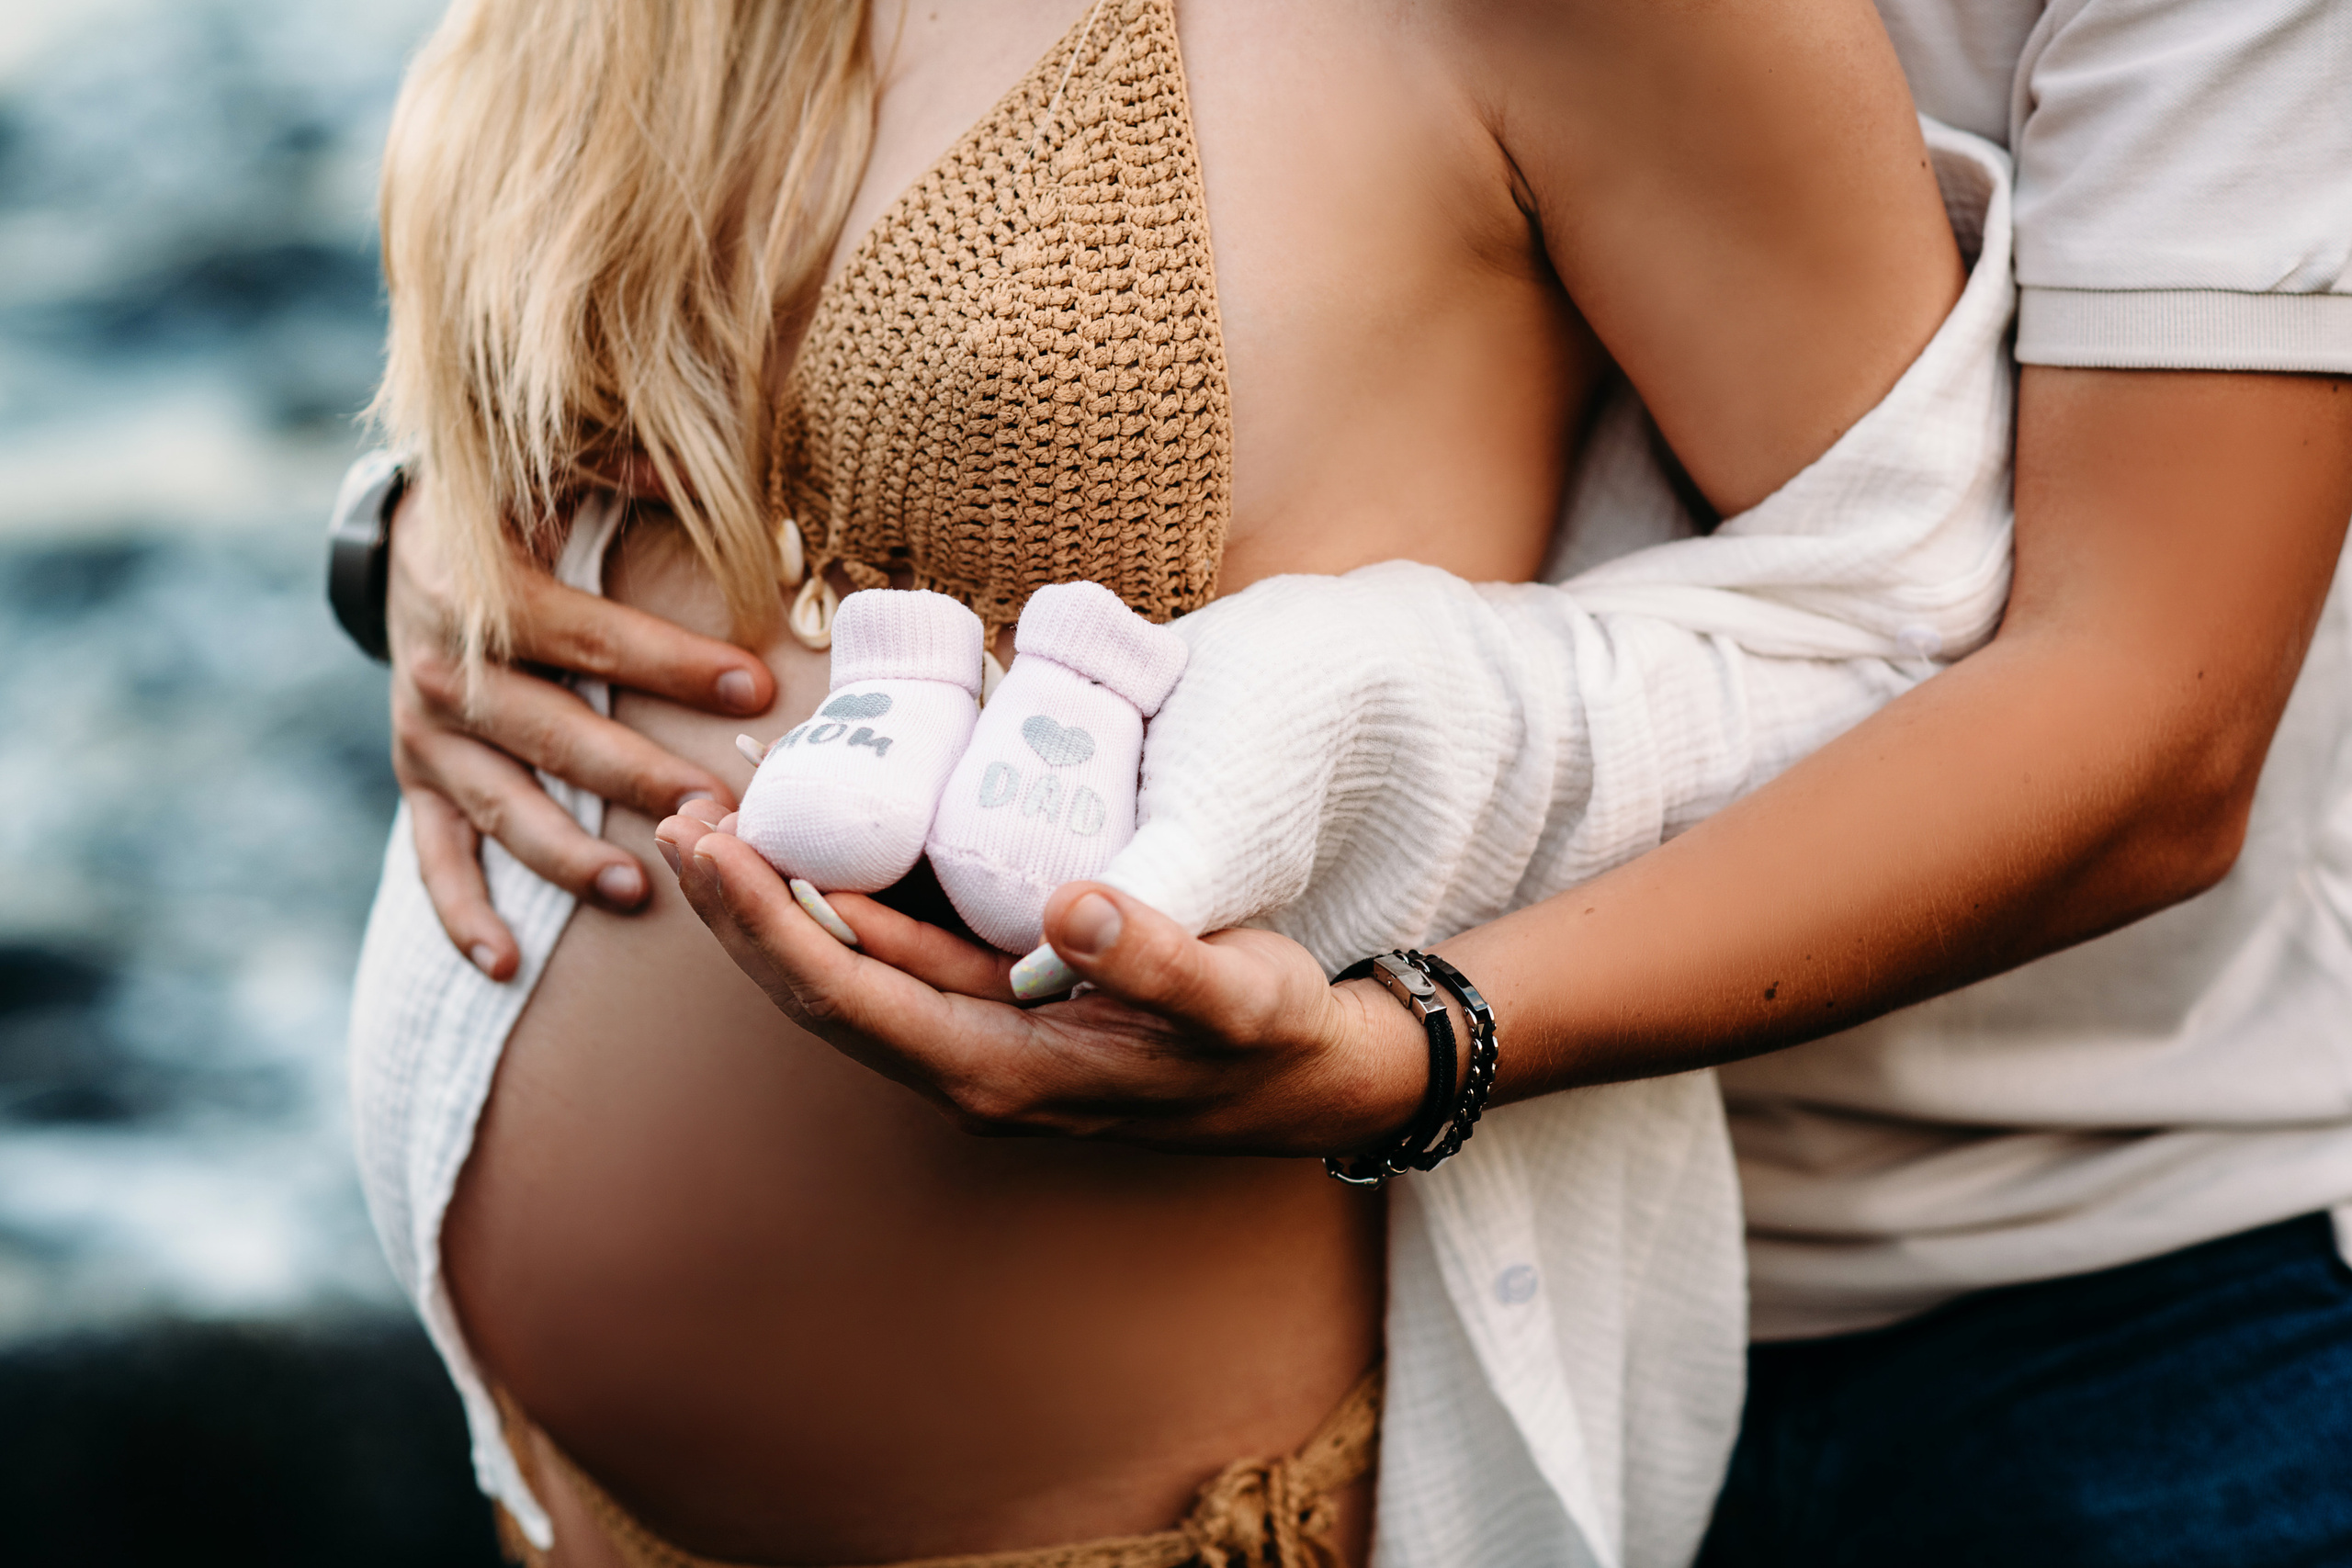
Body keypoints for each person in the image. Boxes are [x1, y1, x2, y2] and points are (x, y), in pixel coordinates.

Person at [361, 2, 2352, 1565]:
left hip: (2055, 1275)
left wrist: (1419, 1041)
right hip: (642, 1446)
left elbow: (2122, 709)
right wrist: (435, 527)